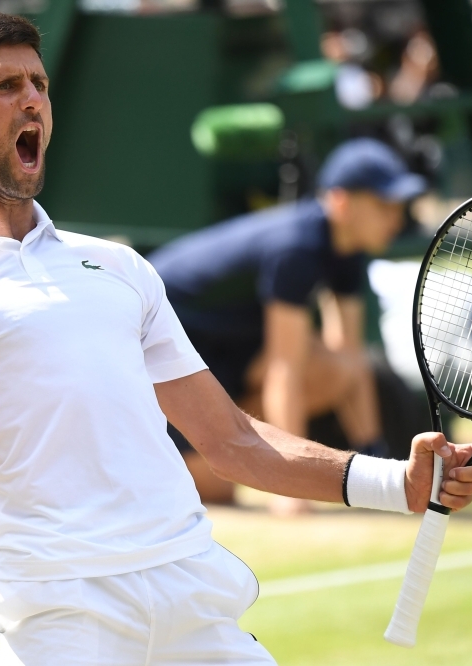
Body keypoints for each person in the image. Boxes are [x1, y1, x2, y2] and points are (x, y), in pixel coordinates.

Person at [0, 13, 472, 664]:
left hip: (193, 592)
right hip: (64, 615)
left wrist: (398, 485)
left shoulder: (121, 269)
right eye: (5, 86)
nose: (33, 99)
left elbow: (234, 440)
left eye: (38, 84)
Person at [148, 138, 425, 510]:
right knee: (214, 489)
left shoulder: (347, 249)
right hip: (163, 351)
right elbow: (285, 369)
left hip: (228, 352)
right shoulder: (296, 246)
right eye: (382, 205)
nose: (396, 218)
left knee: (334, 369)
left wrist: (379, 470)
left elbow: (351, 360)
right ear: (341, 202)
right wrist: (290, 490)